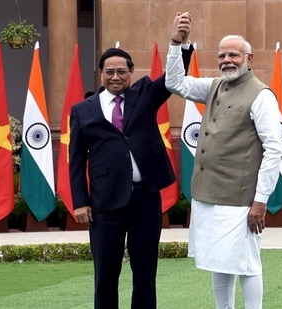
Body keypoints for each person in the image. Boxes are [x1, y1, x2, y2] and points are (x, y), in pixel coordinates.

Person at [68, 13, 193, 309]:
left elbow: (174, 78)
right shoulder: (83, 110)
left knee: (145, 274)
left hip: (145, 199)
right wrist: (80, 201)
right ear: (100, 74)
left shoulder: (144, 95)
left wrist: (178, 41)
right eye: (109, 71)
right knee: (105, 276)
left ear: (131, 72)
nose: (115, 77)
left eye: (121, 71)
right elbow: (75, 160)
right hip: (104, 204)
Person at [166, 21, 282, 309]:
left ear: (249, 59)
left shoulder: (261, 95)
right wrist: (175, 44)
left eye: (234, 55)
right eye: (222, 55)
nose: (227, 61)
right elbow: (175, 83)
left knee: (247, 263)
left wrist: (259, 202)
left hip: (241, 199)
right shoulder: (215, 86)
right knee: (219, 259)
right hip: (208, 194)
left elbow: (274, 150)